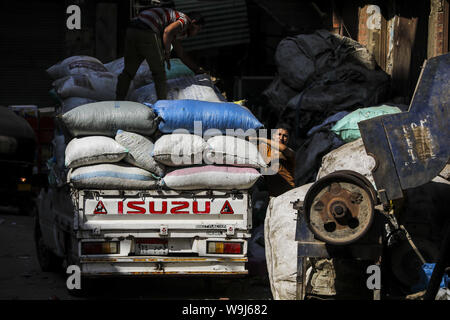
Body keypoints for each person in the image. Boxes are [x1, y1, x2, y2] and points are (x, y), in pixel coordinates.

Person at [115, 8, 206, 101]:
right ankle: (162, 104)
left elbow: (181, 53)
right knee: (159, 73)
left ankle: (118, 101)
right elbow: (167, 31)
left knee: (128, 71)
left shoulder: (176, 24)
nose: (196, 33)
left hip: (132, 29)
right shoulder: (185, 20)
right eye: (198, 29)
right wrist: (167, 53)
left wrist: (196, 69)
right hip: (146, 30)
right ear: (193, 22)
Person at [252, 124, 296, 197]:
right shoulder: (266, 149)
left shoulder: (289, 152)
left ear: (288, 139)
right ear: (273, 136)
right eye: (279, 134)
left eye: (285, 136)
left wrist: (262, 139)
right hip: (272, 195)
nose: (281, 138)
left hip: (288, 193)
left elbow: (283, 149)